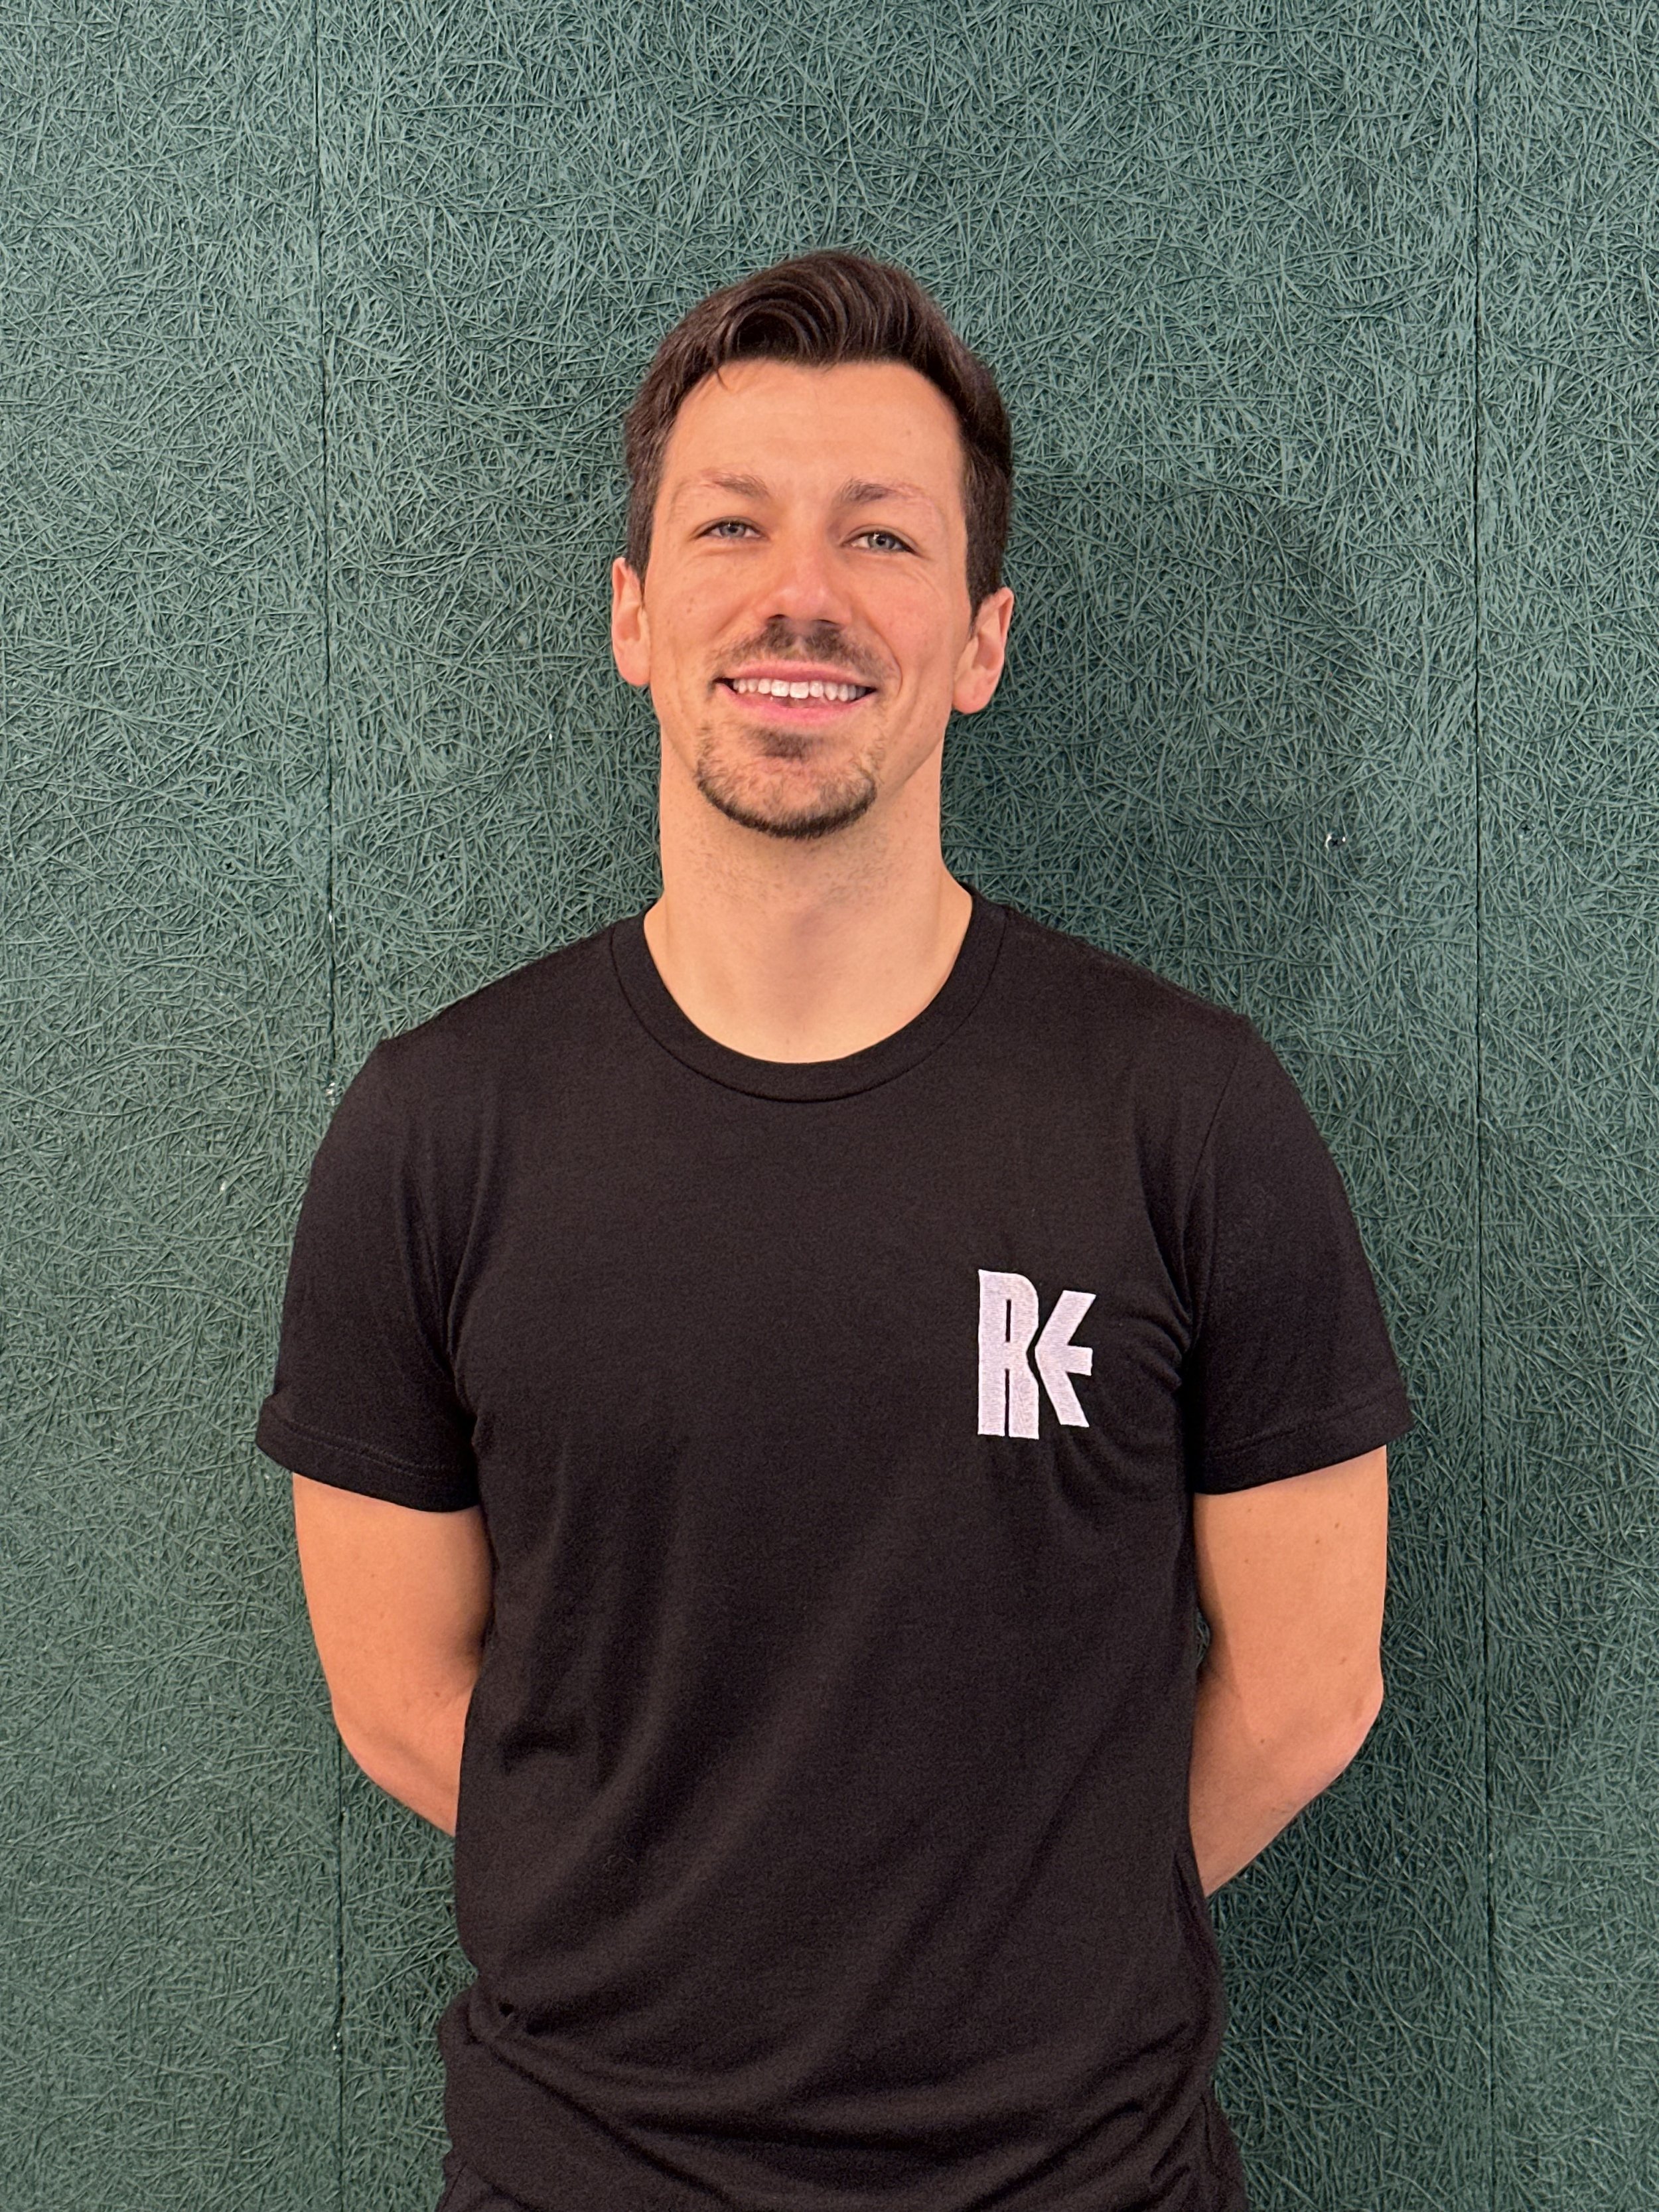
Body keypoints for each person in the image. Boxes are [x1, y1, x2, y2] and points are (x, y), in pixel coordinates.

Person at [256, 248, 1413, 2212]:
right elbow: (396, 1696)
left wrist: (1014, 1936)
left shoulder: (1183, 1113)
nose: (800, 592)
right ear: (633, 614)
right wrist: (699, 1919)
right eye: (730, 526)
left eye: (881, 536)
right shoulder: (435, 1132)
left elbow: (1310, 1684)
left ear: (978, 638)